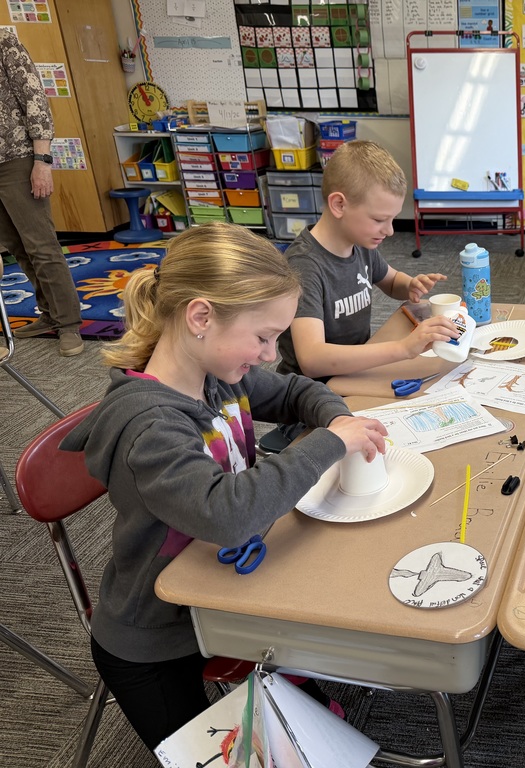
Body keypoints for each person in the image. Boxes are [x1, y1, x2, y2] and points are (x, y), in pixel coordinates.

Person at [60, 223, 389, 750]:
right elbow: (228, 514)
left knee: (319, 722)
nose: (269, 353)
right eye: (263, 337)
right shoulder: (151, 427)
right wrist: (329, 443)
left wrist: (338, 418)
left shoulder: (216, 373)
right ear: (200, 317)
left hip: (223, 595)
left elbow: (296, 390)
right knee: (221, 754)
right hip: (156, 637)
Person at [275, 140, 458, 398]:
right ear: (339, 205)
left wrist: (410, 285)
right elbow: (312, 359)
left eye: (393, 219)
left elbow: (391, 281)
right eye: (379, 219)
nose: (390, 230)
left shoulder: (359, 244)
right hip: (312, 393)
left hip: (354, 372)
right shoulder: (305, 265)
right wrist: (403, 348)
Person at [0, 29, 83, 356]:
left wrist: (42, 161)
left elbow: (34, 100)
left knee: (41, 244)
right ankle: (50, 313)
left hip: (17, 159)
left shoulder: (4, 41)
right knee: (17, 246)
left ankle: (69, 324)